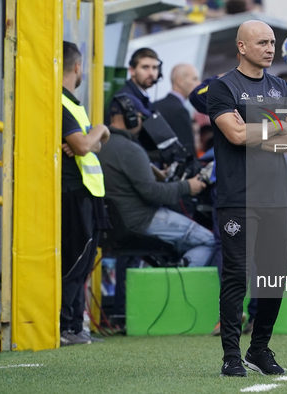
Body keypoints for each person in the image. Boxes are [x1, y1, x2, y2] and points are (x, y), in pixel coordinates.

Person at [207, 20, 287, 377]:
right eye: (262, 42)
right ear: (242, 47)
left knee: (274, 277)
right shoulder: (221, 87)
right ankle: (231, 356)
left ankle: (259, 349)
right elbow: (233, 135)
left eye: (273, 42)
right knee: (237, 275)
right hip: (238, 197)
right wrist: (278, 125)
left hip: (277, 197)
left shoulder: (280, 85)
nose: (270, 48)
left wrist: (257, 133)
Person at [97, 93, 214, 268]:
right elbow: (154, 194)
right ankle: (178, 284)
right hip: (142, 220)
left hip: (118, 224)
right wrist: (188, 186)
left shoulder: (101, 145)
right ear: (131, 117)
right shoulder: (130, 150)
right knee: (209, 241)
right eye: (141, 117)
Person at [60, 41, 111, 346]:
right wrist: (99, 129)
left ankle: (76, 327)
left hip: (87, 192)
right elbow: (82, 145)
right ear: (77, 67)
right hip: (74, 193)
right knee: (75, 263)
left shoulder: (73, 103)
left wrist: (93, 137)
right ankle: (67, 326)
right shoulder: (61, 101)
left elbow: (92, 144)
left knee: (83, 262)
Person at [153, 64, 200, 156]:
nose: (199, 83)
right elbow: (187, 150)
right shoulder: (180, 111)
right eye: (194, 79)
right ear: (180, 81)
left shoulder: (155, 105)